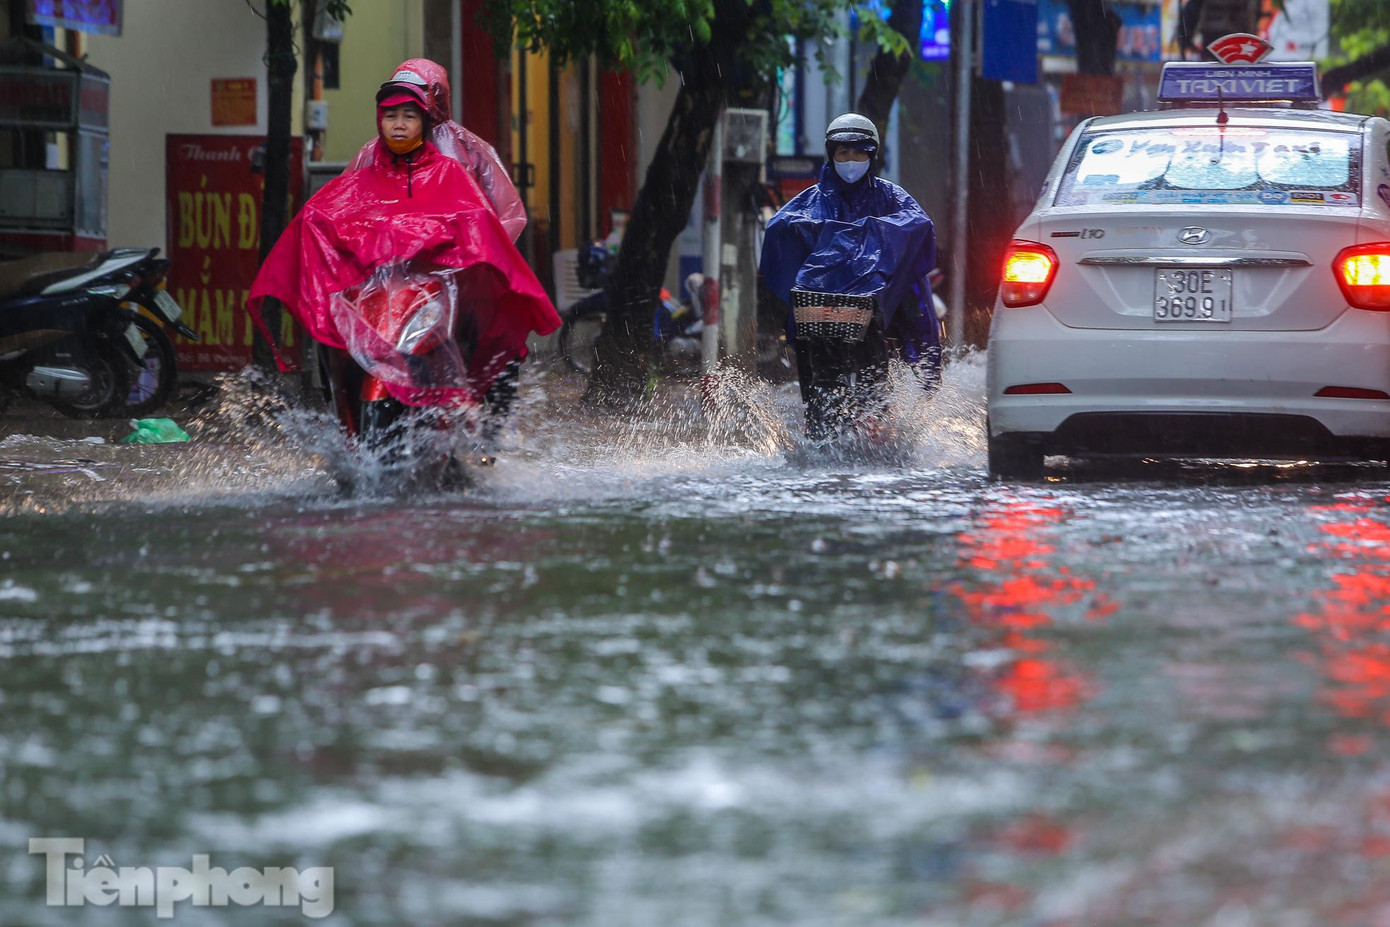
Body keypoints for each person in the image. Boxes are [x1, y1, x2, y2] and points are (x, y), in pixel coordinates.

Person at [246, 72, 559, 438]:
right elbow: (330, 214)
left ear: (425, 116)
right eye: (390, 116)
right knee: (336, 350)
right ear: (379, 119)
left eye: (409, 116)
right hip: (377, 295)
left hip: (438, 293)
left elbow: (485, 220)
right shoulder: (364, 167)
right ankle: (345, 428)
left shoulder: (454, 166)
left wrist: (463, 257)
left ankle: (483, 430)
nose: (398, 125)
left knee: (488, 348)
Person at [759, 113, 940, 441]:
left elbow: (919, 226)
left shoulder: (890, 197)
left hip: (871, 311)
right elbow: (779, 231)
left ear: (871, 156)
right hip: (817, 315)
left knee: (873, 386)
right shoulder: (812, 200)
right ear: (831, 154)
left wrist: (873, 239)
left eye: (859, 153)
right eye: (843, 153)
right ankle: (818, 432)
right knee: (819, 395)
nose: (851, 160)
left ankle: (876, 426)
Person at [346, 59, 527, 243]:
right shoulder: (372, 152)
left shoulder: (467, 149)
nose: (400, 124)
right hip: (387, 263)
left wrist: (470, 253)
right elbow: (348, 208)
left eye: (420, 93)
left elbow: (506, 214)